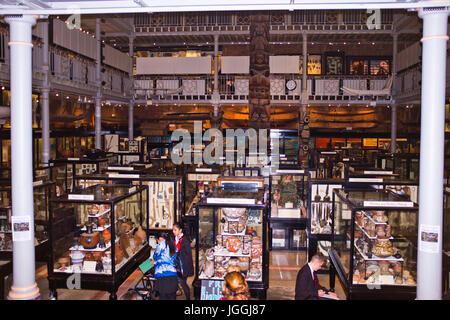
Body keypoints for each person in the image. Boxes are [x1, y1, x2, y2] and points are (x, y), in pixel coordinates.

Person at [152, 231, 179, 300]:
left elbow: (155, 257)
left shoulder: (160, 245)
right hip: (173, 276)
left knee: (163, 297)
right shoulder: (173, 245)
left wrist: (155, 262)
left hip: (163, 278)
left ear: (158, 240)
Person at [173, 222, 194, 300]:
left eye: (175, 230)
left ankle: (188, 298)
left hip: (183, 266)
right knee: (177, 282)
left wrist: (177, 254)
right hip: (176, 264)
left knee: (183, 283)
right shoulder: (174, 238)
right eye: (173, 230)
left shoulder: (185, 240)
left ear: (180, 230)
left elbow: (188, 256)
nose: (173, 231)